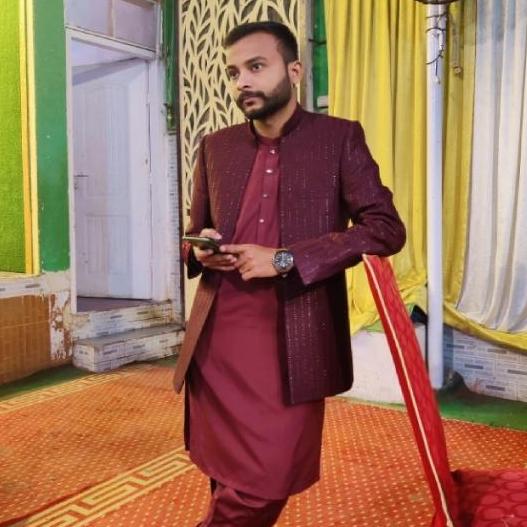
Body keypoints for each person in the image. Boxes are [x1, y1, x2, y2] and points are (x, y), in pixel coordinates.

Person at [173, 21, 406, 527]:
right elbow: (193, 235)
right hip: (217, 343)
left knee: (266, 479)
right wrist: (201, 249)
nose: (242, 81)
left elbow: (386, 229)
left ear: (294, 70)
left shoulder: (338, 138)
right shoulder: (215, 146)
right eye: (233, 72)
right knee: (227, 472)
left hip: (293, 339)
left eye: (256, 67)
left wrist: (285, 258)